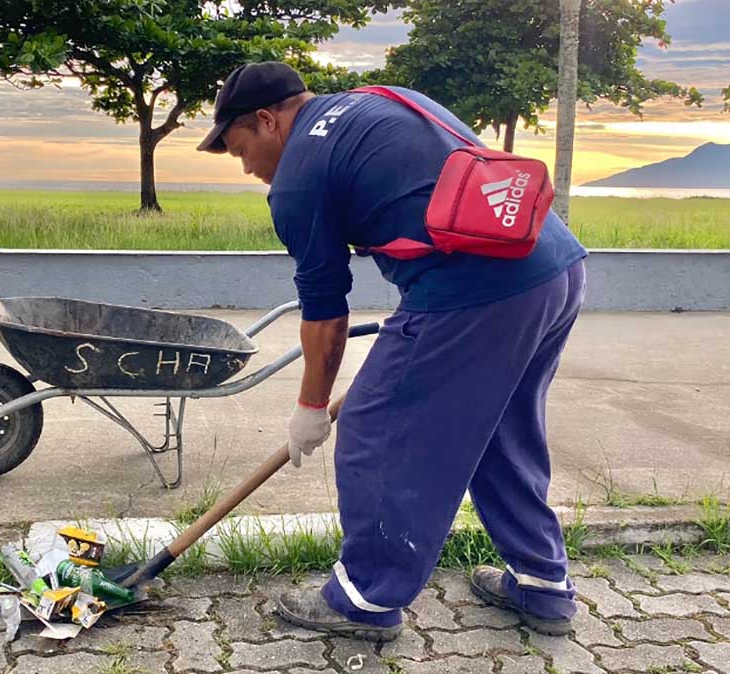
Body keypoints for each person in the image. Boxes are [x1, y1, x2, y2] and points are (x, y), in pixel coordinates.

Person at [196, 62, 589, 642]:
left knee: (376, 428)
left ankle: (364, 599)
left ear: (266, 119)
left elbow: (326, 310)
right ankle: (540, 583)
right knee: (500, 429)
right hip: (553, 266)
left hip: (472, 291)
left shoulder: (299, 177)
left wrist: (311, 407)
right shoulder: (384, 98)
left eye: (241, 150)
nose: (249, 168)